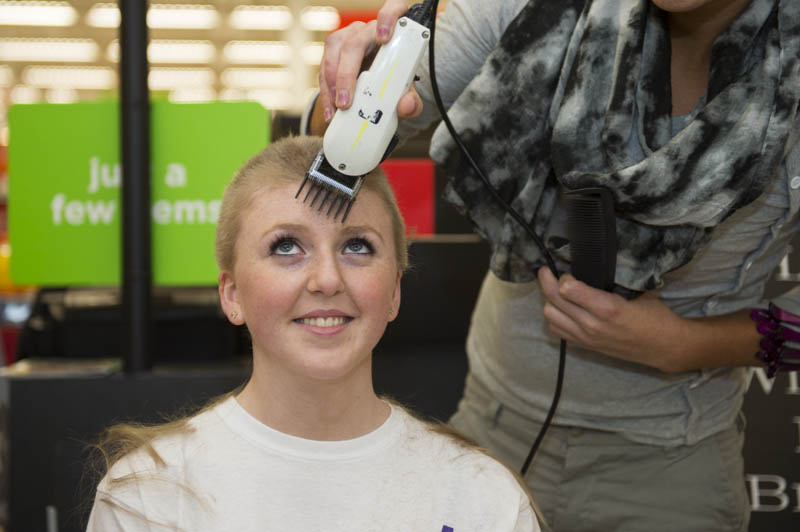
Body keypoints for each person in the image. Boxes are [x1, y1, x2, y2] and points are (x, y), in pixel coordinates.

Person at [308, 0, 800, 530]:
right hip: (491, 428)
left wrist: (684, 345)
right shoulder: (524, 7)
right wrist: (345, 95)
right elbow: (339, 142)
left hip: (672, 462)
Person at [85, 136, 541, 532]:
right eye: (286, 246)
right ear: (232, 294)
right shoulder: (149, 497)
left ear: (394, 292)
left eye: (357, 246)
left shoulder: (481, 495)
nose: (327, 279)